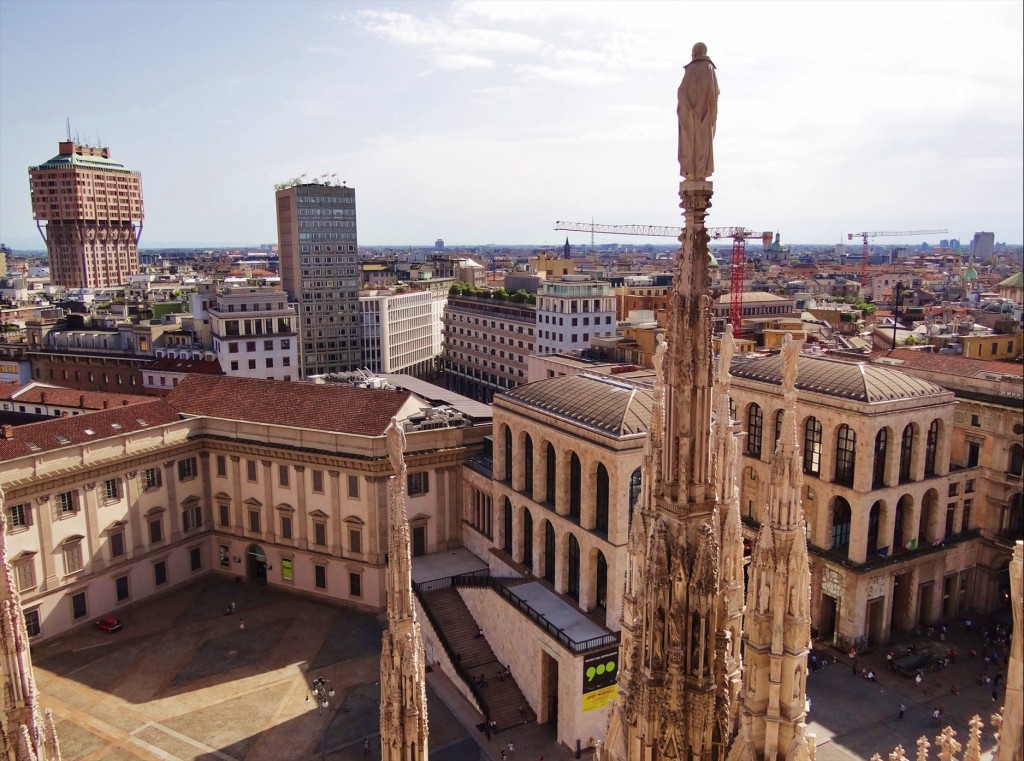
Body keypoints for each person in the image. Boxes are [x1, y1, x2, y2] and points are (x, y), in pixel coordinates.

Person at [676, 42, 719, 180]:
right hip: (706, 116)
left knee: (691, 143)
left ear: (695, 52)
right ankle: (700, 172)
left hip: (691, 116)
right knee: (702, 143)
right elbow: (716, 92)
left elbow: (682, 91)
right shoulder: (710, 68)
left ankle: (692, 172)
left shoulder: (692, 68)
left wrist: (690, 107)